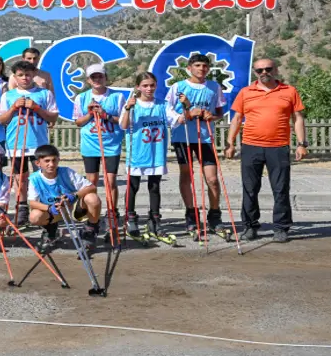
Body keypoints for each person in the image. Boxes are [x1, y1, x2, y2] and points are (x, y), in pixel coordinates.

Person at [225, 59, 307, 243]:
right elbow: (237, 118)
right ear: (255, 72)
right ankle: (250, 226)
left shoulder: (289, 91)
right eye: (259, 70)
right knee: (250, 189)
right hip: (251, 146)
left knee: (280, 189)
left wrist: (302, 144)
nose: (264, 72)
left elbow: (298, 118)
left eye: (268, 69)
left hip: (278, 147)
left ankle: (281, 228)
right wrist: (230, 143)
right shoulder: (246, 92)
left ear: (275, 69)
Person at [166, 54, 226, 237]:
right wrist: (185, 115)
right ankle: (191, 214)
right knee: (187, 174)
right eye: (198, 65)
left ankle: (214, 216)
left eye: (205, 66)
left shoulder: (214, 87)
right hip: (183, 136)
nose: (202, 69)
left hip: (205, 137)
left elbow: (219, 112)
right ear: (190, 68)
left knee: (212, 179)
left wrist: (211, 116)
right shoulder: (178, 87)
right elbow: (167, 110)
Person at [119, 72, 182, 237]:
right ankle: (130, 217)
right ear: (138, 87)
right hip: (138, 153)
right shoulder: (132, 104)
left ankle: (154, 219)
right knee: (133, 187)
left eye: (152, 85)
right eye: (145, 85)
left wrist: (187, 107)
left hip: (156, 153)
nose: (149, 89)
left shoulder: (163, 104)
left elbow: (177, 120)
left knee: (154, 187)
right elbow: (124, 125)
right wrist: (127, 108)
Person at [0, 61, 58, 227]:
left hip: (39, 144)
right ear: (15, 77)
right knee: (21, 180)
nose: (25, 78)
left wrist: (37, 108)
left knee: (43, 178)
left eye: (28, 74)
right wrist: (13, 108)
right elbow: (2, 119)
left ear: (34, 75)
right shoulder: (8, 96)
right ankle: (22, 209)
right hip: (16, 143)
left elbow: (53, 117)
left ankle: (47, 209)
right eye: (21, 75)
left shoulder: (44, 94)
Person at [73, 63, 124, 232]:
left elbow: (123, 121)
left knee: (110, 181)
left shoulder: (117, 97)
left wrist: (105, 115)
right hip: (90, 144)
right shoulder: (81, 98)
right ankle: (90, 212)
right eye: (93, 77)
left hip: (111, 144)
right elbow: (78, 122)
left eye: (100, 76)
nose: (97, 79)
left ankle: (112, 212)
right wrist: (89, 113)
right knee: (92, 182)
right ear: (88, 80)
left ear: (105, 77)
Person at [27, 144, 100, 253]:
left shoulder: (67, 172)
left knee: (92, 198)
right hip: (54, 210)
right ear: (38, 163)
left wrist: (74, 196)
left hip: (72, 207)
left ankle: (90, 231)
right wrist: (49, 208)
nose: (51, 164)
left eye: (54, 160)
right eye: (47, 161)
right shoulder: (34, 178)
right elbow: (32, 203)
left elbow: (92, 187)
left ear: (58, 160)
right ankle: (50, 232)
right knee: (34, 216)